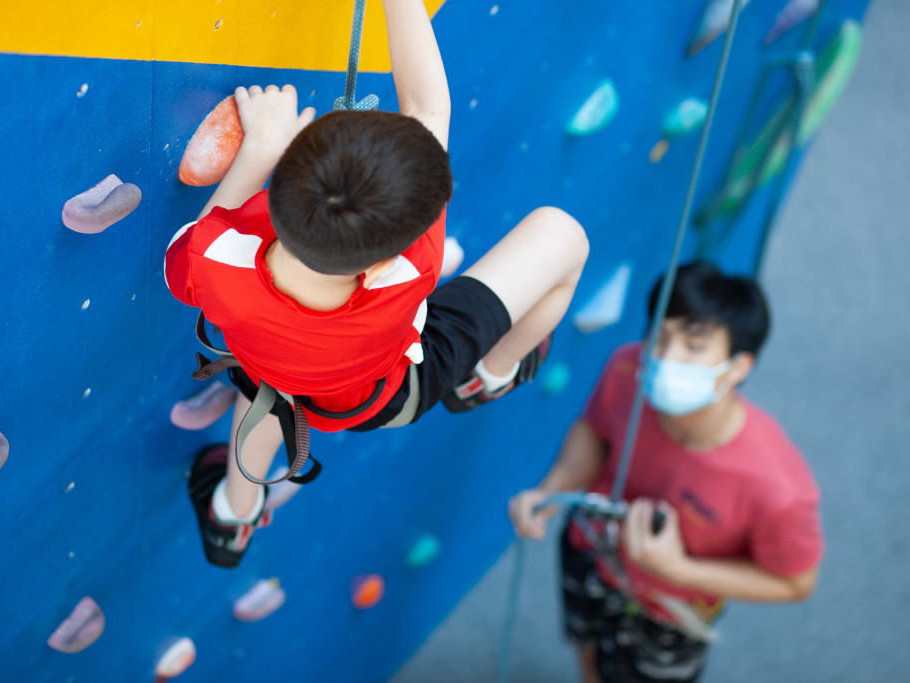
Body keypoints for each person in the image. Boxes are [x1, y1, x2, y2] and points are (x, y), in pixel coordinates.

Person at [164, 0, 589, 568]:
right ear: (383, 263)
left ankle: (233, 517)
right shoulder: (410, 268)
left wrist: (255, 154)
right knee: (563, 237)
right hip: (389, 393)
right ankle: (490, 373)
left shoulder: (220, 265)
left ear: (284, 177)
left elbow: (188, 247)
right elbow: (428, 106)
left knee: (269, 393)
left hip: (273, 366)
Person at [508, 262, 823, 683]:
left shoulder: (778, 489)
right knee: (587, 651)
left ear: (739, 367)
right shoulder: (626, 369)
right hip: (592, 552)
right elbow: (595, 430)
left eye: (693, 346)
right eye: (661, 336)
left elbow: (796, 583)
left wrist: (679, 572)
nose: (664, 357)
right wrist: (552, 489)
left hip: (670, 609)